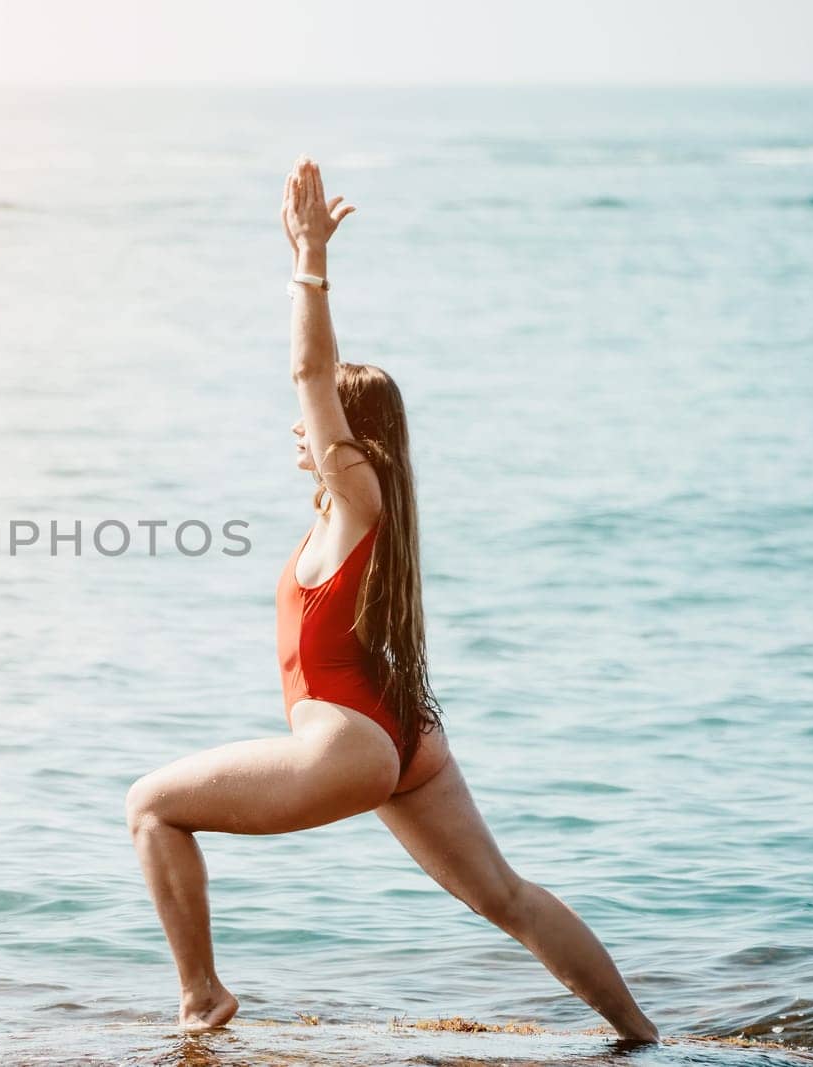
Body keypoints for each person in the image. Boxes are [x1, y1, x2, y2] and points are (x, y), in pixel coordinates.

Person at [123, 155, 659, 1043]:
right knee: (508, 897)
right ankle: (642, 1033)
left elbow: (308, 367)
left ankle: (202, 997)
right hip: (408, 738)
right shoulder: (370, 517)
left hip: (352, 740)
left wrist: (308, 263)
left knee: (150, 805)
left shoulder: (355, 497)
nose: (303, 426)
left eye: (323, 417)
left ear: (352, 433)